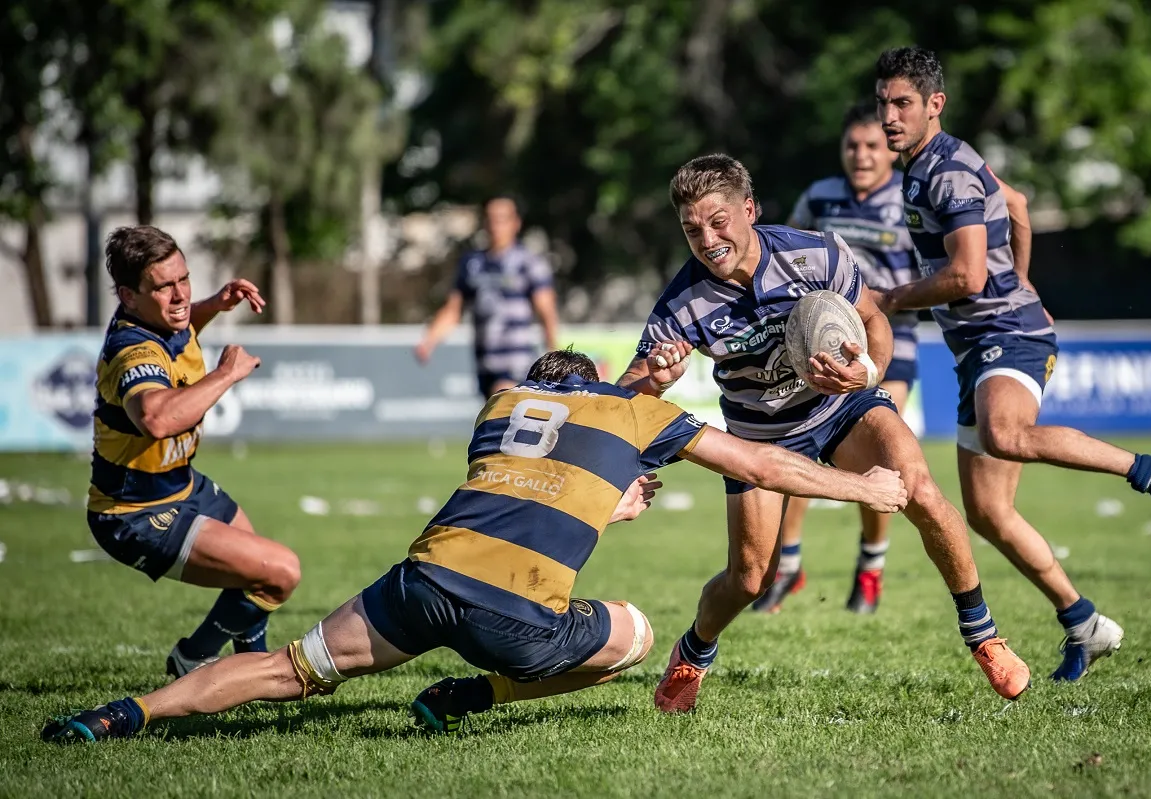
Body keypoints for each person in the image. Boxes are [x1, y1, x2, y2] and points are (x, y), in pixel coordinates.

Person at [42, 349, 908, 744]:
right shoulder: (635, 416)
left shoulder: (498, 408)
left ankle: (123, 715)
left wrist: (610, 495)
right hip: (514, 623)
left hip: (420, 585)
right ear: (601, 390)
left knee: (287, 670)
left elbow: (534, 487)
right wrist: (868, 487)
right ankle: (474, 696)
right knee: (635, 634)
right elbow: (758, 460)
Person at [619, 154, 1033, 712]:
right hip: (759, 437)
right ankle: (693, 651)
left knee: (922, 491)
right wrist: (658, 378)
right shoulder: (682, 301)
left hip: (842, 407)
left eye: (719, 222)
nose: (707, 239)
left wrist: (868, 371)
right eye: (692, 230)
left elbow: (875, 321)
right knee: (749, 579)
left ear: (750, 210)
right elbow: (629, 391)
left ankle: (984, 636)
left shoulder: (815, 252)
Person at [873, 46, 1151, 681]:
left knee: (1007, 434)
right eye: (883, 103)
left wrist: (888, 300)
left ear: (934, 105)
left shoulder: (945, 171)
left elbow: (965, 275)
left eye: (902, 103)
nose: (889, 116)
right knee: (989, 513)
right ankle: (1083, 622)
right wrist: (1022, 279)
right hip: (978, 344)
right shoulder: (932, 165)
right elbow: (1018, 204)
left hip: (1006, 336)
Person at [86, 226, 301, 678]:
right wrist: (226, 374)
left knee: (258, 566)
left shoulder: (163, 319)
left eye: (183, 278)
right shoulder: (132, 350)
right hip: (133, 513)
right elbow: (157, 418)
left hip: (182, 484)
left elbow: (180, 328)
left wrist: (215, 305)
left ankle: (247, 669)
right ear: (128, 295)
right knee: (279, 572)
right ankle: (193, 658)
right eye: (163, 286)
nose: (180, 294)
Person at [757, 100, 924, 615]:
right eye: (852, 145)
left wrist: (885, 300)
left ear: (890, 151)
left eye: (873, 145)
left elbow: (937, 270)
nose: (862, 154)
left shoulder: (909, 200)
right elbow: (781, 256)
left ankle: (871, 566)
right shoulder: (820, 197)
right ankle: (787, 566)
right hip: (818, 352)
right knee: (798, 451)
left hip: (888, 347)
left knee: (882, 459)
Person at [416, 194, 559, 398]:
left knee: (502, 406)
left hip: (515, 361)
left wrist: (553, 352)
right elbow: (453, 309)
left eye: (502, 219)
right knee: (496, 421)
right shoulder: (472, 264)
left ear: (515, 223)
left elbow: (546, 310)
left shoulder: (528, 262)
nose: (495, 226)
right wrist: (430, 341)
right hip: (485, 362)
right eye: (491, 219)